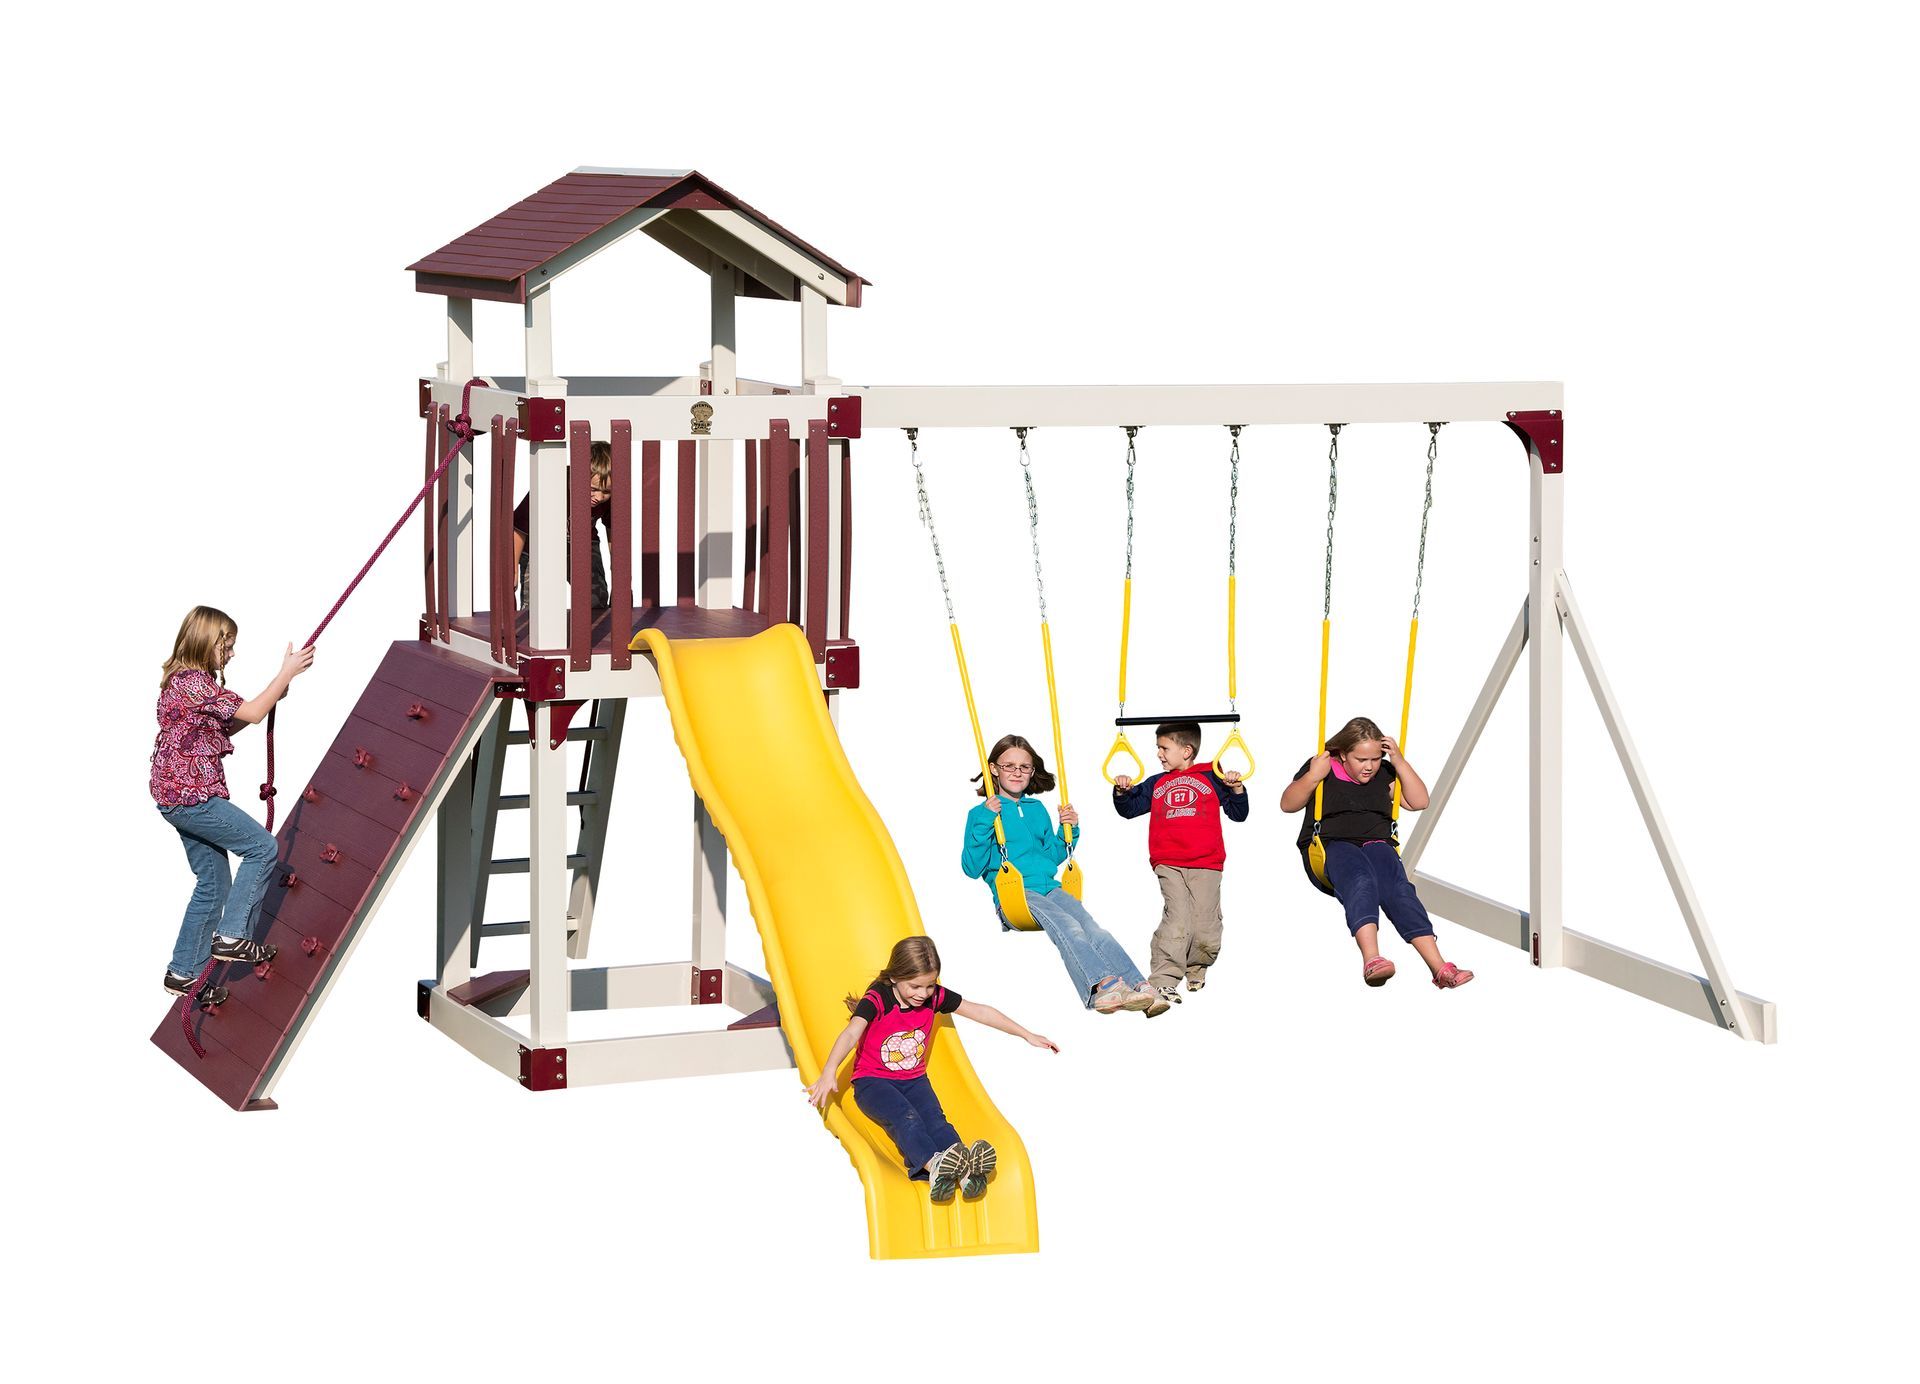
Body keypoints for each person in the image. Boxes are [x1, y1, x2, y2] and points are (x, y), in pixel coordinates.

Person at [806, 936, 1057, 1203]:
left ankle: (965, 1172)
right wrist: (829, 1071)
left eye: (929, 985)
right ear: (894, 977)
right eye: (915, 986)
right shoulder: (878, 998)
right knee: (907, 1117)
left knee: (936, 1121)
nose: (923, 994)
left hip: (914, 1079)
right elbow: (852, 1032)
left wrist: (1026, 1034)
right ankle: (935, 1167)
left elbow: (980, 1012)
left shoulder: (934, 996)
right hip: (873, 1082)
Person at [151, 606, 314, 1003]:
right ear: (209, 642)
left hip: (174, 796)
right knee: (262, 847)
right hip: (193, 796)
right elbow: (254, 713)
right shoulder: (195, 684)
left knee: (213, 882)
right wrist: (285, 674)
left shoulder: (184, 682)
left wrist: (276, 693)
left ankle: (183, 972)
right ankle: (234, 936)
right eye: (228, 645)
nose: (232, 654)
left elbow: (228, 724)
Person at [961, 734, 1168, 1017]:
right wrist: (986, 820)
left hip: (1050, 888)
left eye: (1025, 767)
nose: (1017, 773)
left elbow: (1051, 857)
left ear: (1032, 771)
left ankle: (1139, 987)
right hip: (1015, 894)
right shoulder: (982, 813)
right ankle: (1102, 986)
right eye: (1009, 766)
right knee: (1069, 927)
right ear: (994, 769)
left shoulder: (1036, 810)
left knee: (1094, 929)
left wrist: (1068, 831)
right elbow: (972, 868)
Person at [1280, 716, 1474, 989]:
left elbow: (1419, 801)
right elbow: (1288, 804)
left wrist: (1399, 762)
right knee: (1361, 880)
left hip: (1376, 844)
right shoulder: (1322, 767)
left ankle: (1440, 967)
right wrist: (1313, 776)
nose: (1369, 767)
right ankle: (1372, 959)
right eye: (1361, 760)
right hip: (1332, 845)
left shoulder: (1384, 773)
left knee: (1399, 889)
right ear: (1343, 754)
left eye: (1374, 759)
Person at [1111, 720, 1250, 1002]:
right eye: (1158, 748)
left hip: (1207, 862)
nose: (1159, 754)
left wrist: (1236, 789)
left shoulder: (1213, 778)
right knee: (1177, 918)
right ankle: (1163, 978)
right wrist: (1122, 792)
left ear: (1186, 750)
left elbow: (1239, 814)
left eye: (1164, 748)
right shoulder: (1157, 783)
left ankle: (1196, 966)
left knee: (1205, 923)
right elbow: (1130, 809)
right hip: (1169, 861)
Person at [513, 439, 612, 610]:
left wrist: (617, 570)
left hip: (583, 546)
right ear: (576, 476)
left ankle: (594, 629)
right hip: (540, 549)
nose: (599, 497)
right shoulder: (552, 485)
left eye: (606, 492)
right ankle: (534, 629)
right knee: (535, 603)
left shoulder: (606, 499)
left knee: (596, 597)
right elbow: (519, 527)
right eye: (593, 489)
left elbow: (613, 530)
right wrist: (513, 566)